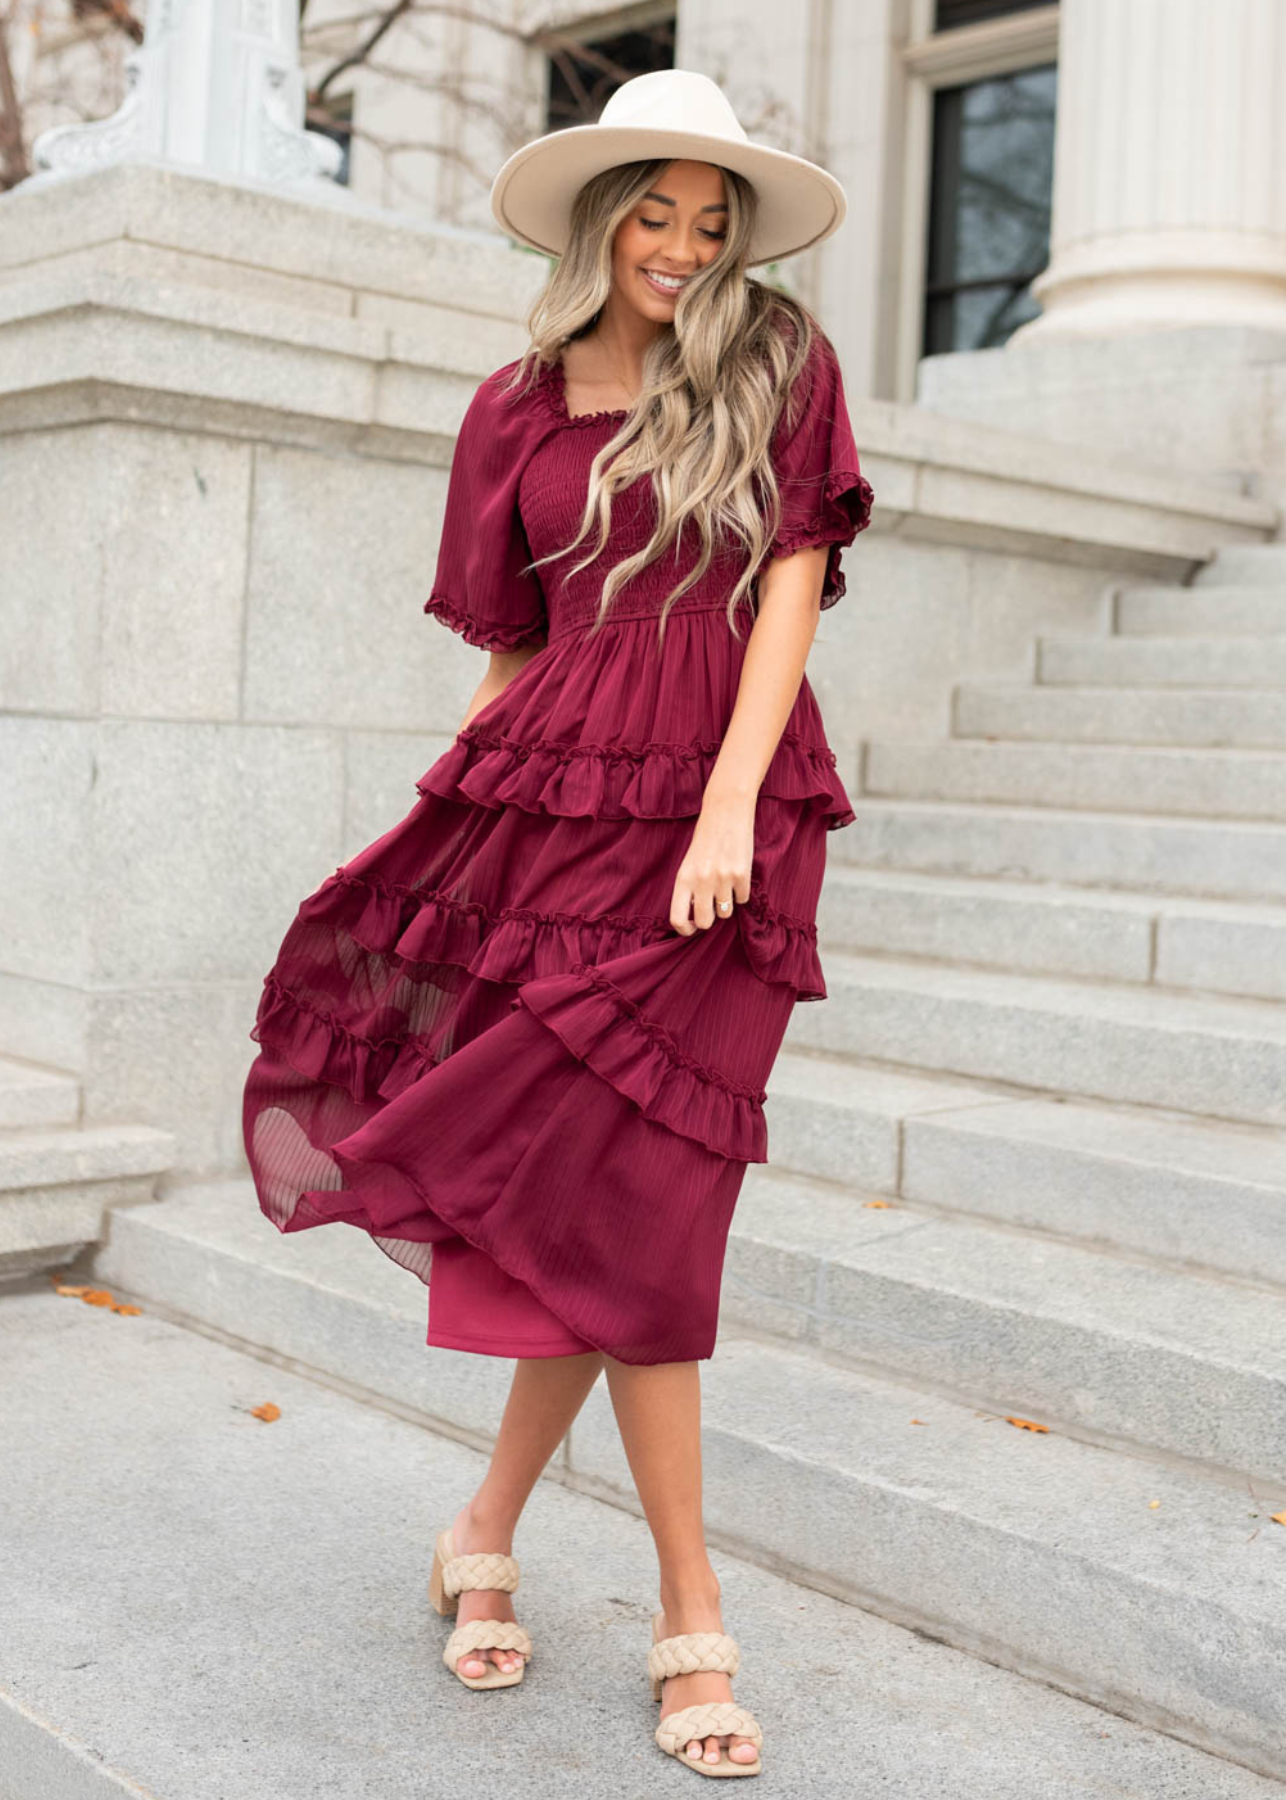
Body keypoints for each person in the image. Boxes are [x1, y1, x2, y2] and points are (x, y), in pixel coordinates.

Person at [241, 67, 872, 1779]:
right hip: (561, 808)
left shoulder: (774, 366)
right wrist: (437, 830)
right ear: (601, 223)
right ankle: (554, 1555)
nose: (681, 246)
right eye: (655, 215)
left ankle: (644, 1581)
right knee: (599, 1208)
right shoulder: (512, 408)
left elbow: (791, 586)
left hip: (725, 820)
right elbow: (516, 652)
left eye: (710, 222)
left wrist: (733, 804)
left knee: (646, 1198)